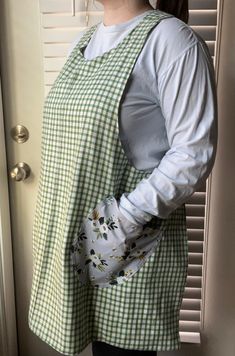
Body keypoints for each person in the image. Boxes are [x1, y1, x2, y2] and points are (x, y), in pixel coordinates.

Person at [28, 0, 218, 355]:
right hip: (69, 233)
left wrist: (120, 222)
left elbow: (193, 153)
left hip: (124, 240)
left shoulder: (172, 40)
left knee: (118, 351)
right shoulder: (82, 43)